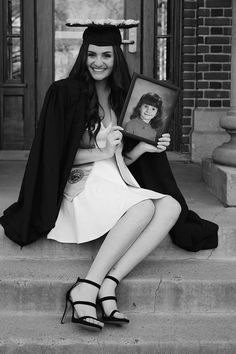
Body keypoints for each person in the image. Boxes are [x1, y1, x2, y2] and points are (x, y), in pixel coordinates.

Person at [0, 20, 218, 331]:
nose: (98, 62)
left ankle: (108, 283)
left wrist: (145, 150)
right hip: (80, 183)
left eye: (106, 55)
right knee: (144, 207)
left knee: (170, 206)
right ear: (83, 56)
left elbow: (121, 159)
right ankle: (86, 286)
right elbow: (54, 156)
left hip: (114, 178)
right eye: (91, 55)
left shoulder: (124, 98)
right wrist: (101, 153)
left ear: (117, 57)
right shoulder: (63, 93)